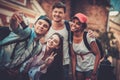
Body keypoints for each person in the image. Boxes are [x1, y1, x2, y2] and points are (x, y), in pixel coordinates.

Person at [0, 11, 51, 80]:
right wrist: (14, 19)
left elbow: (24, 60)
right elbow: (15, 27)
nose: (41, 26)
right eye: (40, 23)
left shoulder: (38, 48)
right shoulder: (27, 31)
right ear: (34, 25)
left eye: (45, 26)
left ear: (47, 31)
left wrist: (17, 70)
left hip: (7, 72)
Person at [43, 2, 71, 80]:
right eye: (55, 12)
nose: (57, 14)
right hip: (46, 63)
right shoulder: (47, 25)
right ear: (52, 12)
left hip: (63, 64)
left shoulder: (68, 26)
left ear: (64, 14)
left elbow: (79, 31)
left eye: (60, 12)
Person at [70, 13, 101, 80]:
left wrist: (94, 72)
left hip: (90, 69)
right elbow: (73, 57)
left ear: (83, 27)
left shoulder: (88, 37)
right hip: (79, 69)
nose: (74, 25)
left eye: (78, 23)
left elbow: (98, 55)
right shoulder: (70, 37)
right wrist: (73, 74)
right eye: (73, 22)